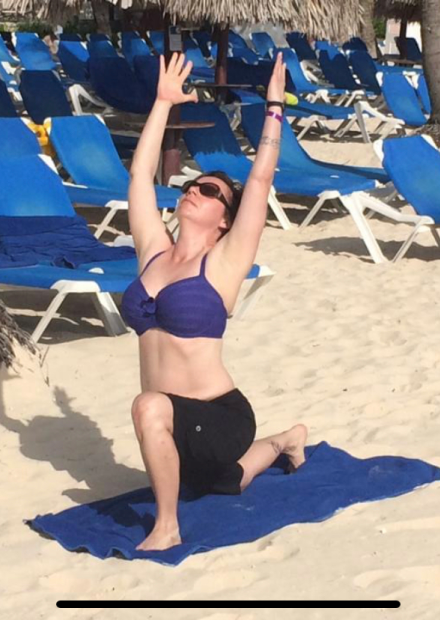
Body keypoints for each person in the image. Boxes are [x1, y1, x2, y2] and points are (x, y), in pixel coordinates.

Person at [122, 52, 308, 552]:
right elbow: (140, 180)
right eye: (190, 185)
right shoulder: (153, 250)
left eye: (208, 191)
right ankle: (285, 439)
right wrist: (162, 104)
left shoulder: (223, 264)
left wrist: (273, 106)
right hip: (180, 427)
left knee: (148, 406)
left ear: (224, 218)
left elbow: (261, 180)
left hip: (219, 415)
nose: (193, 192)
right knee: (227, 482)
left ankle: (167, 526)